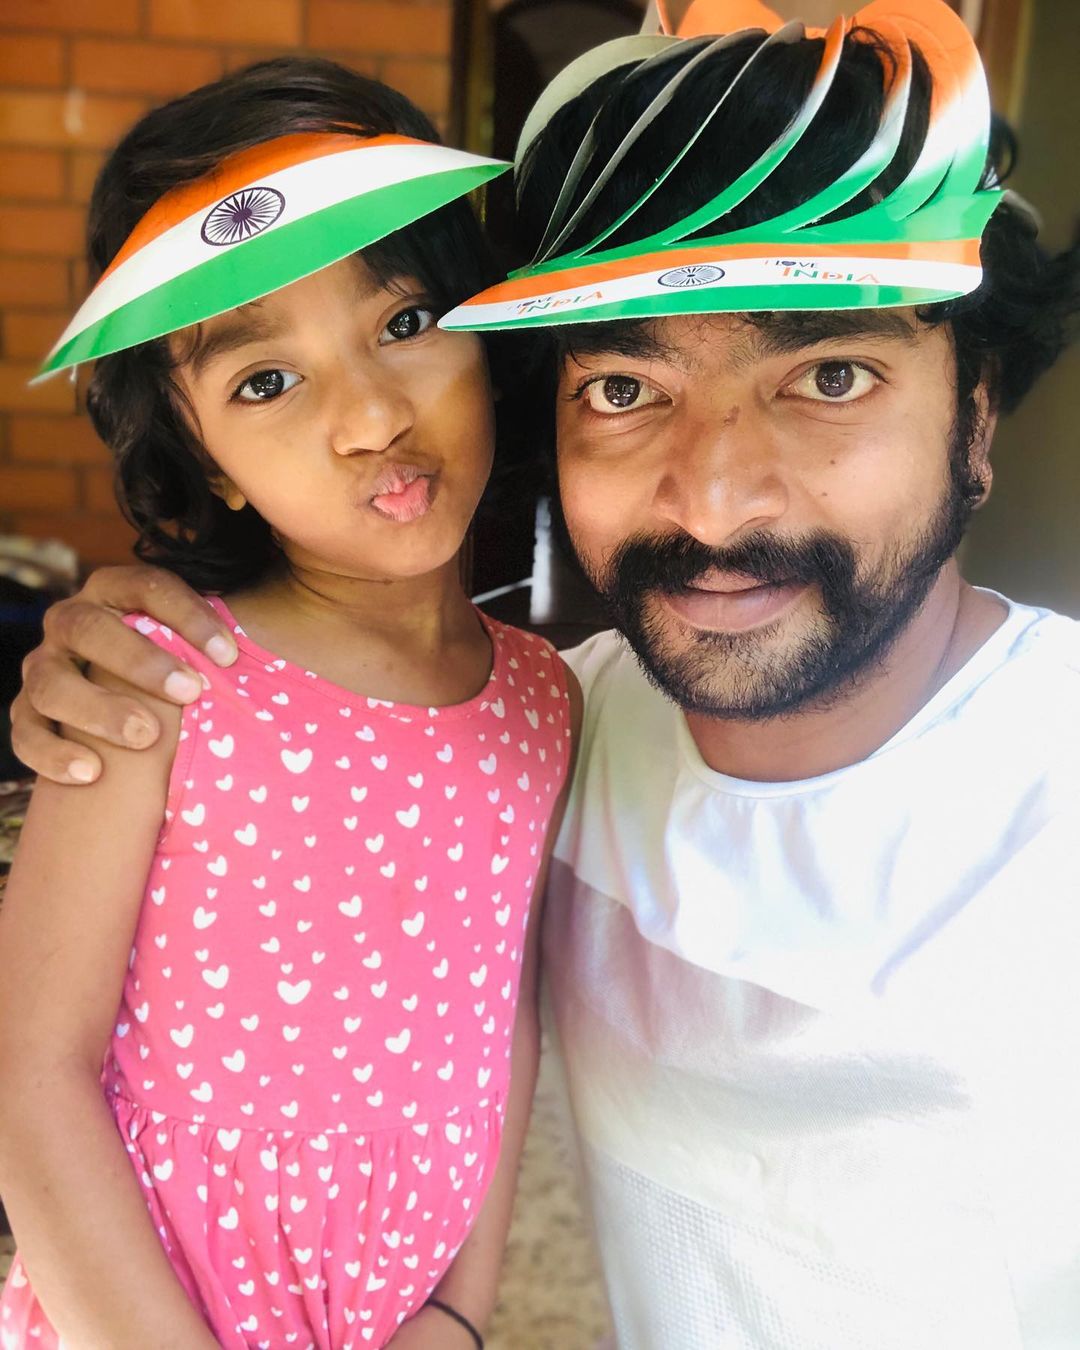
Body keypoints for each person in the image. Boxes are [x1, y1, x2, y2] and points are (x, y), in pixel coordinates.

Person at [9, 1, 1080, 1346]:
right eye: (625, 388)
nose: (716, 498)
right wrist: (89, 649)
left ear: (976, 417)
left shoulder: (1045, 786)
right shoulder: (576, 716)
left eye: (831, 373)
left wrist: (456, 1316)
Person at [0, 58, 579, 1350]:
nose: (371, 416)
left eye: (407, 320)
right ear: (207, 460)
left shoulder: (545, 697)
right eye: (266, 381)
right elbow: (29, 1072)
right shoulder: (158, 676)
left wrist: (461, 1310)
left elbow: (503, 1019)